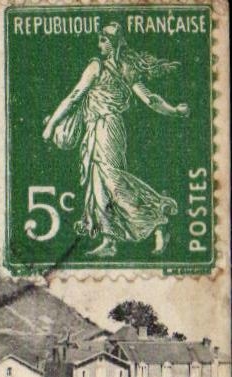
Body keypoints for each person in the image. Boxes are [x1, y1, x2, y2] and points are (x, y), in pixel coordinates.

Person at [42, 23, 189, 257]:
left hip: (106, 128)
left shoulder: (98, 67)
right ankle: (109, 241)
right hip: (100, 128)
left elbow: (74, 97)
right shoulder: (125, 68)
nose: (99, 44)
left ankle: (158, 219)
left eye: (103, 40)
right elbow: (150, 99)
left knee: (112, 181)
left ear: (112, 43)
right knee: (99, 183)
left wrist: (51, 125)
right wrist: (174, 111)